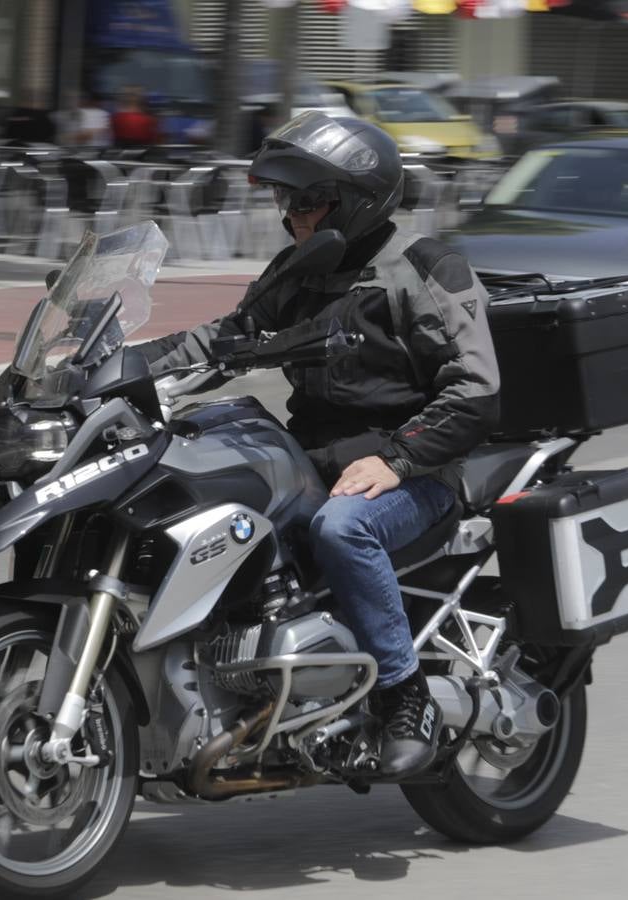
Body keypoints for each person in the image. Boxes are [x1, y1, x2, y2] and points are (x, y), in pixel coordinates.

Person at [135, 111, 501, 779]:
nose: (294, 214)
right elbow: (225, 337)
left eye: (309, 200)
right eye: (286, 199)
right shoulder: (300, 270)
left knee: (342, 529)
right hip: (313, 460)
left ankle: (404, 692)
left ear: (358, 200)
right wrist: (119, 367)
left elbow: (476, 390)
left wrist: (397, 459)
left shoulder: (424, 268)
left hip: (413, 473)